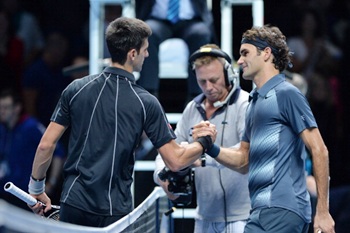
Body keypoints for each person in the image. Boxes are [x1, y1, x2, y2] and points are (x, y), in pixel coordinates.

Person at [27, 17, 216, 228]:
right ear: (132, 54)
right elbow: (176, 161)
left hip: (74, 203)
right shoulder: (147, 102)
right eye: (144, 49)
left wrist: (36, 189)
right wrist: (204, 143)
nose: (148, 54)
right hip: (115, 212)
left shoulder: (76, 88)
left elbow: (46, 145)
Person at [195, 25, 335, 233]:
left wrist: (322, 211)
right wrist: (211, 147)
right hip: (259, 212)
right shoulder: (254, 102)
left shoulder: (287, 93)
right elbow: (243, 159)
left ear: (266, 53)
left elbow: (319, 150)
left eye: (245, 53)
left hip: (284, 209)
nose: (239, 61)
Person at [154, 44, 251, 233]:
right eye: (202, 81)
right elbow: (166, 151)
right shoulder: (192, 108)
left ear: (228, 73)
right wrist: (161, 178)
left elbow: (244, 154)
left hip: (244, 216)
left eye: (214, 80)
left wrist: (203, 160)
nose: (208, 87)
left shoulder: (244, 104)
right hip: (204, 216)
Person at [135, 0, 215, 99]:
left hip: (190, 21)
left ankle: (197, 96)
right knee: (147, 32)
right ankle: (148, 96)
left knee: (201, 33)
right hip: (159, 20)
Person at [0, 89, 65, 210]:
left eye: (5, 107)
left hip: (27, 196)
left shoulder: (31, 126)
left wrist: (52, 183)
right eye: (0, 108)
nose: (2, 111)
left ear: (17, 108)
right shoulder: (2, 129)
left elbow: (58, 152)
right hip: (5, 193)